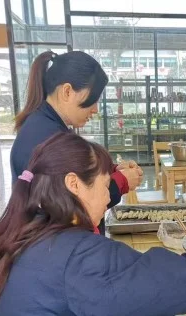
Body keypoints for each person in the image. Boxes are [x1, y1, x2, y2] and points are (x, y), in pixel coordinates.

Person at [0, 132, 186, 316]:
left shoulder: (25, 232)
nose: (109, 197)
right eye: (106, 186)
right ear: (74, 184)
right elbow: (167, 283)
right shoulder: (77, 255)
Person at [10, 50, 143, 234]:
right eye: (93, 99)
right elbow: (77, 202)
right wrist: (121, 182)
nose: (95, 109)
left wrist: (109, 171)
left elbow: (76, 172)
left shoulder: (46, 124)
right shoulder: (46, 136)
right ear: (67, 91)